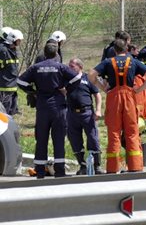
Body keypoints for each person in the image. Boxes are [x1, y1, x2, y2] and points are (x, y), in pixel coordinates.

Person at [88, 39, 146, 173]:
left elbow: (91, 75)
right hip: (130, 98)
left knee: (114, 133)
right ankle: (135, 167)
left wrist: (103, 88)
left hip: (113, 98)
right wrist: (140, 89)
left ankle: (112, 168)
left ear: (114, 50)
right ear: (126, 49)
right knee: (132, 132)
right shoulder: (134, 61)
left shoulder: (108, 62)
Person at [17, 43, 81, 178]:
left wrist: (33, 91)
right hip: (58, 107)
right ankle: (60, 171)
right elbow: (77, 77)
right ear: (56, 53)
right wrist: (67, 89)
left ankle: (40, 171)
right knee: (58, 139)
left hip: (42, 107)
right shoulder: (61, 66)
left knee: (41, 139)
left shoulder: (36, 67)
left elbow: (20, 81)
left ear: (44, 53)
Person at [66, 57, 104, 175]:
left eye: (72, 66)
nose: (69, 68)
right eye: (69, 66)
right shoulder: (66, 79)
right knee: (75, 140)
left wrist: (98, 110)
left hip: (87, 113)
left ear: (80, 67)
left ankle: (97, 166)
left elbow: (97, 95)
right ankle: (82, 166)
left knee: (93, 139)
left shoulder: (87, 78)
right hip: (72, 114)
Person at [0, 28, 23, 116]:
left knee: (11, 111)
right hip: (4, 85)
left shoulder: (12, 50)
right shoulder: (3, 50)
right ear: (13, 40)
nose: (20, 42)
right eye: (19, 40)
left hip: (12, 84)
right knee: (4, 112)